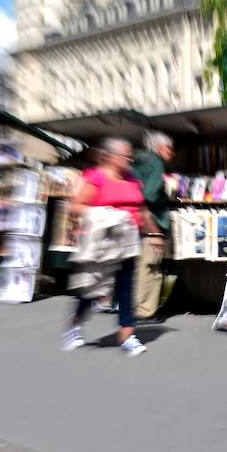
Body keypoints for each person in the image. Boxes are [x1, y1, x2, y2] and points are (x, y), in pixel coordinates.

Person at [63, 137, 147, 356]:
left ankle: (127, 335)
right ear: (111, 157)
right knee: (94, 288)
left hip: (128, 240)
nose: (130, 159)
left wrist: (152, 232)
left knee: (126, 286)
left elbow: (141, 208)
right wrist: (110, 215)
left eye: (131, 156)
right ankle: (75, 323)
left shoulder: (132, 179)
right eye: (126, 155)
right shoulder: (96, 178)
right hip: (103, 242)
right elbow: (76, 207)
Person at [130, 131, 174, 322]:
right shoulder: (156, 162)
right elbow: (150, 193)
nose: (172, 153)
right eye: (169, 148)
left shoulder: (139, 161)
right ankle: (145, 311)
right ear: (159, 147)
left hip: (137, 221)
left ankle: (136, 306)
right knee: (150, 267)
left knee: (141, 265)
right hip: (152, 220)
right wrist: (165, 196)